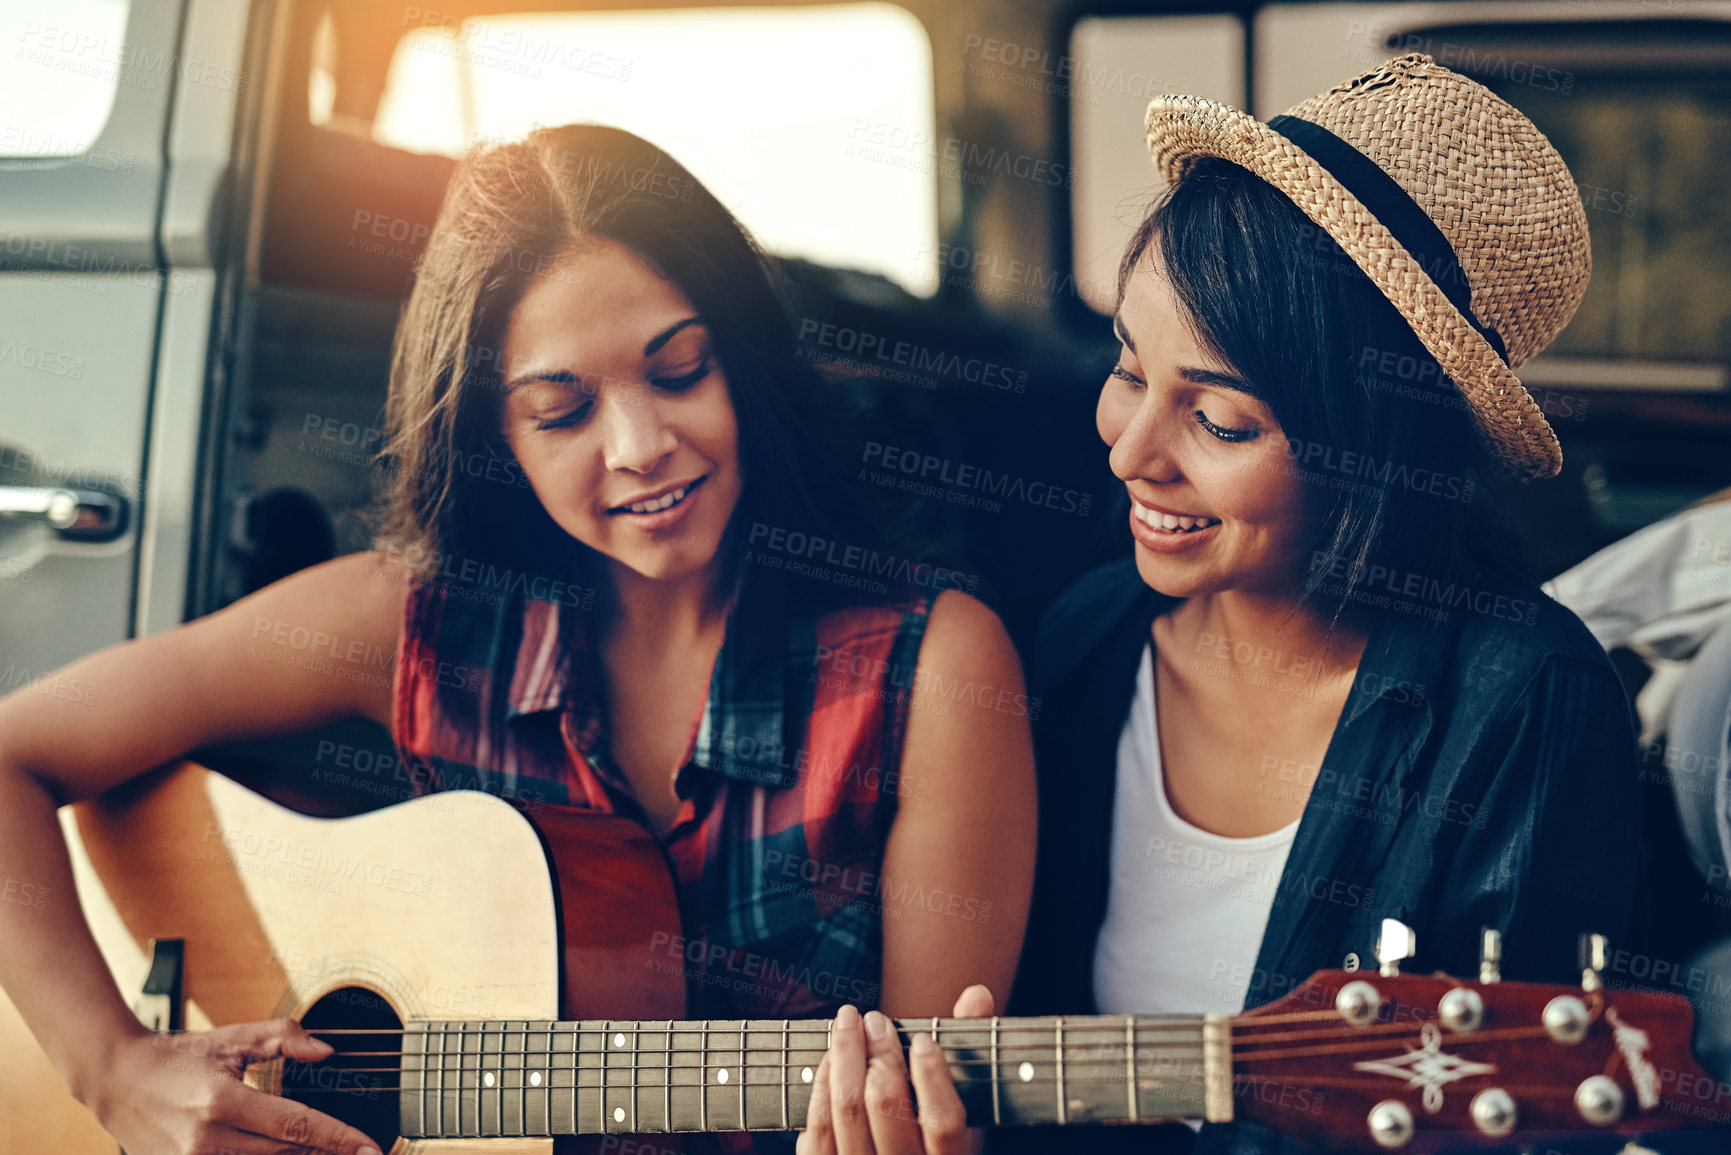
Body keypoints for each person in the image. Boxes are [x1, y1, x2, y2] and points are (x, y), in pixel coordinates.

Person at [0, 124, 1036, 1155]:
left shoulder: (934, 668)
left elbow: (934, 1101)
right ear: (493, 435)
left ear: (748, 365)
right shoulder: (412, 621)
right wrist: (113, 1068)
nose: (638, 448)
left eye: (679, 372)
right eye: (562, 411)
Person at [800, 54, 1641, 1155]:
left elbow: (1535, 1112)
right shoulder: (1082, 641)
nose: (1135, 453)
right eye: (1129, 370)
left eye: (1223, 422)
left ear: (1376, 452)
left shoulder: (1531, 702)